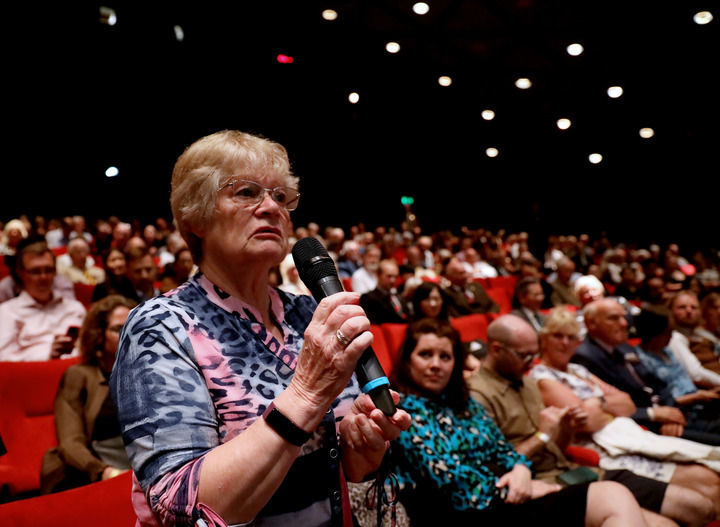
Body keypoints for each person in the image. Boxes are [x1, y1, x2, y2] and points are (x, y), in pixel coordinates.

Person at [110, 130, 410, 526]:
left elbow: (334, 471)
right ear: (195, 216)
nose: (271, 207)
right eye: (247, 192)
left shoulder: (309, 313)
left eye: (282, 196)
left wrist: (359, 452)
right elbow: (179, 504)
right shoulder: (161, 326)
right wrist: (305, 393)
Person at [390, 318, 648, 527]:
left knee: (645, 516)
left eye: (445, 357)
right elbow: (449, 481)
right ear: (407, 360)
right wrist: (523, 488)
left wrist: (522, 470)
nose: (436, 365)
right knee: (612, 496)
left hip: (510, 497)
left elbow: (503, 450)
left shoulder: (463, 403)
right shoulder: (402, 411)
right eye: (425, 354)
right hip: (465, 511)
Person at [528, 307, 720, 523]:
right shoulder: (541, 377)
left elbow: (627, 402)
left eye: (571, 337)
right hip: (601, 450)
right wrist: (606, 407)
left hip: (627, 433)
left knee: (712, 478)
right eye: (558, 336)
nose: (565, 343)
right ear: (543, 339)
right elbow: (588, 421)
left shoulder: (577, 370)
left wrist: (596, 403)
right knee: (705, 491)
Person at [572, 298, 720, 445]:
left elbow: (656, 383)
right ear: (591, 323)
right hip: (642, 427)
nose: (624, 324)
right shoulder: (584, 357)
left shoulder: (623, 347)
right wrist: (654, 415)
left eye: (624, 317)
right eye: (614, 318)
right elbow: (607, 408)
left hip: (672, 414)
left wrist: (670, 411)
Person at [40, 295, 137, 493]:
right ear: (98, 336)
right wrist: (105, 472)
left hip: (143, 470)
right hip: (97, 473)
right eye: (118, 329)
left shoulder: (147, 373)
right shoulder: (79, 375)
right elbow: (70, 442)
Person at [0, 241, 86, 361]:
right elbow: (4, 358)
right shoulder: (7, 312)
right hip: (33, 376)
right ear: (21, 274)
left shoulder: (75, 308)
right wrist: (48, 354)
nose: (43, 277)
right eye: (35, 271)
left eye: (48, 270)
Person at [667, 290, 720, 387]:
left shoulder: (700, 335)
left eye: (694, 307)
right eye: (682, 307)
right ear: (671, 310)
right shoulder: (674, 337)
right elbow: (695, 374)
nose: (689, 311)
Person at [359, 259, 406, 324]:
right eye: (389, 276)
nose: (393, 280)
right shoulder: (367, 298)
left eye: (395, 277)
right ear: (378, 275)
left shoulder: (399, 296)